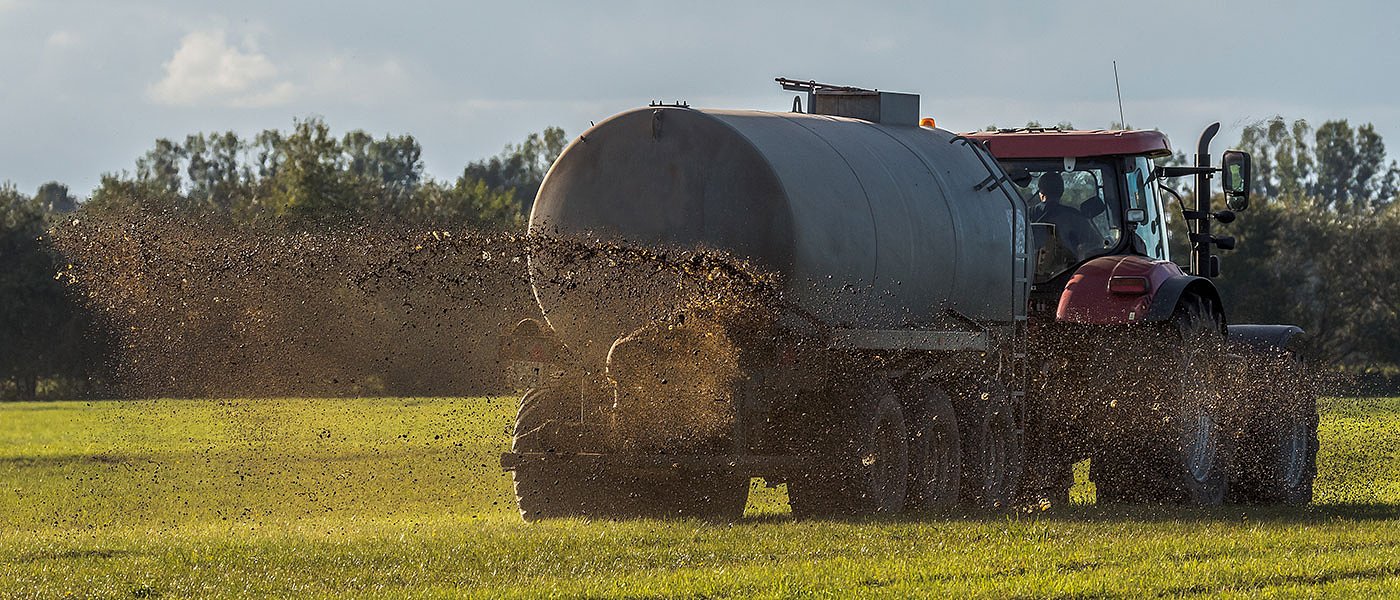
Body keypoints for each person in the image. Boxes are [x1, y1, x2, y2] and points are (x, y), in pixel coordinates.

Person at [1029, 172, 1102, 260]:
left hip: (1028, 267)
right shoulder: (1074, 216)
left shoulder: (1027, 214)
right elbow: (1096, 243)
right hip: (1068, 269)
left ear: (1040, 192)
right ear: (1062, 192)